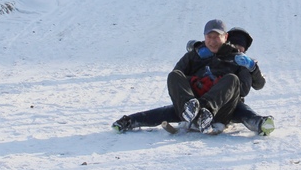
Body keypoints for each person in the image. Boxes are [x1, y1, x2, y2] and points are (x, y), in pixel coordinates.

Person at [113, 27, 274, 135]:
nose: (238, 50)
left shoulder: (243, 62)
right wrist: (196, 54)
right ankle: (129, 121)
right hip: (193, 103)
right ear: (227, 41)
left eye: (242, 48)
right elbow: (178, 75)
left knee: (242, 110)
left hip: (225, 105)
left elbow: (250, 87)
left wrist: (251, 68)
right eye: (235, 45)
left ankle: (259, 123)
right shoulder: (203, 54)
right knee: (166, 111)